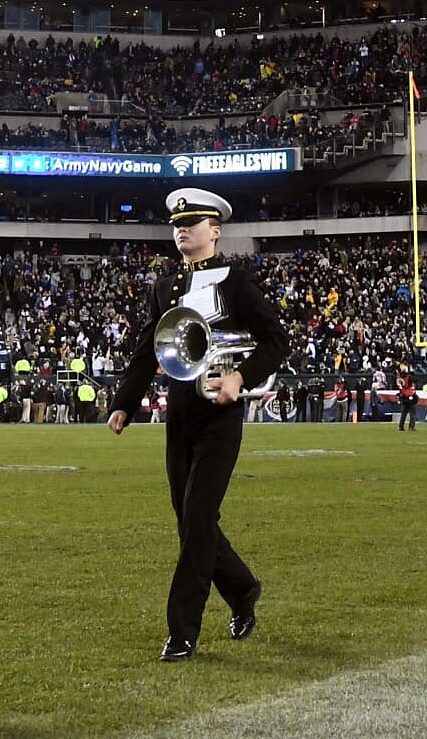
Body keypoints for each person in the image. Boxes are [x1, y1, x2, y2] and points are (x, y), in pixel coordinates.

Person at [109, 187, 289, 662]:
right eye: (176, 224)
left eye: (192, 222)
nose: (181, 229)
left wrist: (241, 377)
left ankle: (182, 630)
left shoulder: (237, 281)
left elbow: (276, 341)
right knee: (192, 521)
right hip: (179, 409)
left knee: (196, 517)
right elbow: (149, 347)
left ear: (216, 230)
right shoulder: (165, 285)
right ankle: (243, 589)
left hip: (221, 412)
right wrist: (125, 402)